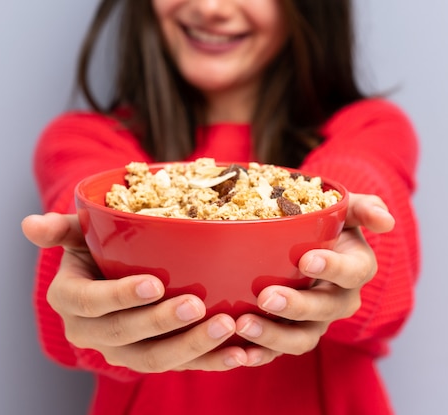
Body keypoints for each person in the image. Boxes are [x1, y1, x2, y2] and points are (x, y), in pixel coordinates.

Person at [21, 0, 420, 414]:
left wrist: (334, 226)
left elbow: (363, 180)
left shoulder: (373, 128)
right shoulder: (82, 141)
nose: (211, 8)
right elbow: (83, 212)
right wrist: (87, 282)